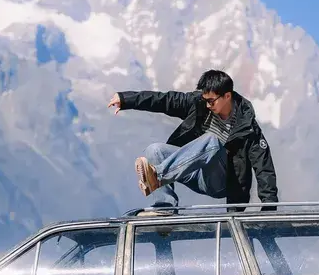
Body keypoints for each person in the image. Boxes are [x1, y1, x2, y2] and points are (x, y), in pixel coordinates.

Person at [107, 69, 278, 209]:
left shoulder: (247, 126)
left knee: (211, 140)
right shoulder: (198, 103)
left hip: (221, 181)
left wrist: (269, 208)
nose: (208, 106)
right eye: (205, 101)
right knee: (155, 150)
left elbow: (264, 167)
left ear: (227, 96)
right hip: (193, 171)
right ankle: (165, 208)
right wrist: (126, 99)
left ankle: (158, 175)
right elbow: (162, 100)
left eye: (211, 101)